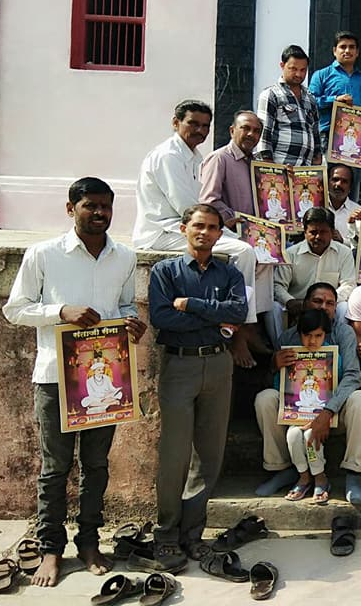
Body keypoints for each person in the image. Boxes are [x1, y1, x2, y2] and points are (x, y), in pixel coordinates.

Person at [2, 177, 146, 587]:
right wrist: (61, 311)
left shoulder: (124, 256)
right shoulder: (44, 254)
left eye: (106, 206)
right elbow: (16, 310)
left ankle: (88, 542)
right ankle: (51, 548)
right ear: (71, 209)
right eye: (90, 206)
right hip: (54, 378)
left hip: (106, 381)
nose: (99, 213)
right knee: (54, 469)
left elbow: (120, 306)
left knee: (96, 466)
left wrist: (130, 323)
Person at [147, 204, 248, 572]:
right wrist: (214, 316)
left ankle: (193, 533)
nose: (204, 233)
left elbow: (238, 313)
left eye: (212, 227)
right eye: (198, 226)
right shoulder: (165, 271)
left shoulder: (229, 271)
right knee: (174, 454)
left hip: (218, 365)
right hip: (180, 364)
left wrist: (193, 305)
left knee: (209, 454)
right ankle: (166, 534)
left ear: (221, 233)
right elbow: (161, 317)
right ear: (183, 228)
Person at [132, 99, 260, 367]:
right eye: (193, 123)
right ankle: (240, 329)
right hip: (163, 231)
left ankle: (244, 320)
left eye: (205, 126)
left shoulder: (193, 155)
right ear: (176, 123)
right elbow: (187, 208)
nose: (200, 130)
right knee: (245, 250)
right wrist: (224, 225)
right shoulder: (168, 155)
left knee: (255, 249)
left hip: (187, 228)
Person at [266, 302, 361, 505]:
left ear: (326, 333)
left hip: (332, 409)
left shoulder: (336, 353)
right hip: (300, 411)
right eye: (307, 335)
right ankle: (300, 476)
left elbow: (350, 377)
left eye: (318, 336)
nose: (312, 340)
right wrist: (275, 364)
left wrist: (328, 412)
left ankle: (331, 477)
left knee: (313, 433)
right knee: (292, 434)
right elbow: (279, 385)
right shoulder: (289, 345)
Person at [309, 30, 361, 198]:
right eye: (342, 47)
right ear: (334, 50)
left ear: (357, 52)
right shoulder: (322, 75)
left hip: (357, 143)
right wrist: (334, 100)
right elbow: (310, 103)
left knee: (353, 187)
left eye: (351, 47)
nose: (347, 51)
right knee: (325, 184)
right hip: (328, 137)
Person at [274, 207, 356, 321]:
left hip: (330, 305)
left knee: (344, 308)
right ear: (305, 232)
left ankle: (338, 338)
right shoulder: (290, 254)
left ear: (332, 232)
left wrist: (326, 301)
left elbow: (349, 284)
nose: (318, 237)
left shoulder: (344, 253)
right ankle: (279, 339)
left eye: (323, 232)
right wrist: (290, 301)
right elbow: (278, 285)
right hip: (298, 306)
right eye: (313, 232)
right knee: (274, 308)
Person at [255, 44, 322, 166]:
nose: (298, 74)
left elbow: (315, 133)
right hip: (281, 166)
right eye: (293, 69)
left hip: (305, 172)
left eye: (303, 70)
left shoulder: (310, 99)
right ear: (282, 65)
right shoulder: (271, 94)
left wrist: (317, 159)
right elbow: (264, 134)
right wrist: (268, 167)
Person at [199, 110, 263, 229]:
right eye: (245, 128)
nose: (250, 134)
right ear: (232, 131)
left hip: (259, 234)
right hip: (231, 233)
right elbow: (209, 200)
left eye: (256, 131)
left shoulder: (257, 165)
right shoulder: (219, 158)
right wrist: (232, 219)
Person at [327, 164, 360, 246]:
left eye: (344, 181)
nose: (338, 184)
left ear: (350, 187)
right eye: (335, 179)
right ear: (326, 181)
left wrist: (343, 241)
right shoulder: (315, 206)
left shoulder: (359, 213)